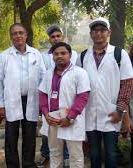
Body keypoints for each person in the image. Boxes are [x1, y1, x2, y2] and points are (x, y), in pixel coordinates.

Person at [76, 17, 133, 168]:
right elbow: (77, 86)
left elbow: (126, 85)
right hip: (89, 113)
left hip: (112, 112)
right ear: (90, 34)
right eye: (95, 31)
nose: (98, 34)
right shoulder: (82, 57)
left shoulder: (119, 54)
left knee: (111, 152)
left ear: (109, 32)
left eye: (102, 30)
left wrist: (120, 110)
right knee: (93, 152)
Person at [0, 23, 46, 167]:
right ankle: (12, 165)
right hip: (11, 101)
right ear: (11, 37)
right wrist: (1, 104)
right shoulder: (4, 56)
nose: (18, 36)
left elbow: (43, 77)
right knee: (11, 136)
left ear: (26, 35)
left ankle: (28, 164)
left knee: (30, 136)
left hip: (31, 100)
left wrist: (43, 102)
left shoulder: (36, 53)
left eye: (21, 32)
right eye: (15, 33)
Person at [39, 42, 90, 168]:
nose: (59, 56)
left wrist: (70, 117)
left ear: (70, 55)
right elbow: (43, 94)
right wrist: (45, 114)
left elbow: (83, 96)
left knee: (75, 156)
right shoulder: (48, 73)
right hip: (52, 119)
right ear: (52, 57)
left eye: (63, 53)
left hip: (71, 119)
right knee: (54, 153)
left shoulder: (80, 73)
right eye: (56, 54)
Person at [39, 24, 77, 166]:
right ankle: (46, 155)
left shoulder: (74, 54)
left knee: (69, 136)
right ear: (49, 39)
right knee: (50, 136)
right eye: (52, 37)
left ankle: (67, 159)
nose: (55, 38)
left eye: (58, 36)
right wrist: (44, 108)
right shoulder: (43, 56)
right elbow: (42, 82)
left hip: (69, 102)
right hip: (50, 103)